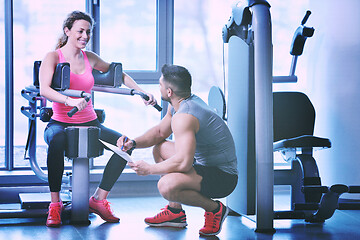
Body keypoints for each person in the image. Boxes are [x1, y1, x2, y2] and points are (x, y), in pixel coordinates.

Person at [39, 11, 157, 227]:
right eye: (80, 31)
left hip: (90, 123)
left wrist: (142, 92)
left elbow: (119, 75)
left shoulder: (89, 57)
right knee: (56, 142)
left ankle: (99, 199)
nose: (85, 36)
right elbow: (44, 89)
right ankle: (55, 205)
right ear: (67, 31)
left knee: (126, 144)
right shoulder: (53, 57)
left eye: (88, 32)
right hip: (60, 123)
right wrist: (69, 100)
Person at [118, 64, 238, 236]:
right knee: (160, 148)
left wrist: (149, 169)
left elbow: (183, 162)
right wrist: (133, 143)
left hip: (223, 177)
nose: (158, 87)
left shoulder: (185, 116)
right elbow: (160, 132)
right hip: (205, 165)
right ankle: (175, 214)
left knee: (166, 186)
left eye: (160, 85)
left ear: (169, 92)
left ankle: (215, 209)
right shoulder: (180, 103)